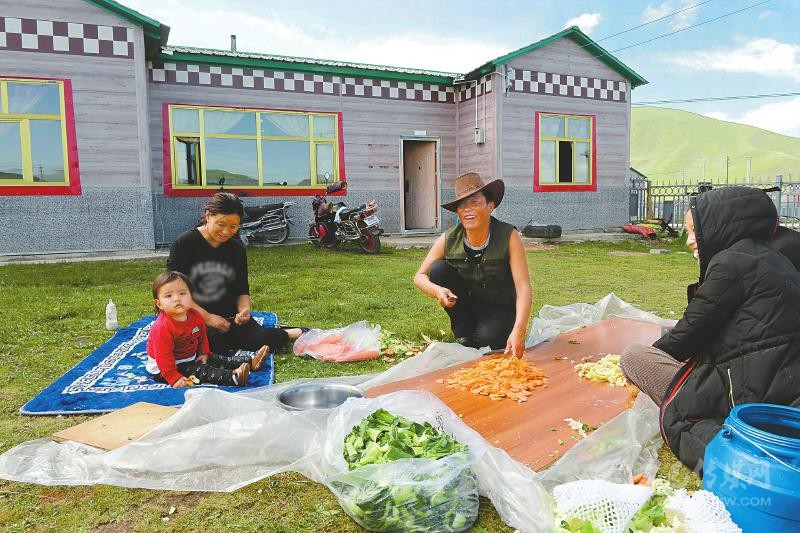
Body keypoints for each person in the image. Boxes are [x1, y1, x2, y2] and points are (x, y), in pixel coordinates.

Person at [620, 186, 800, 473]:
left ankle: (724, 435)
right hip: (782, 386)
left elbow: (686, 337)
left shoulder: (732, 262)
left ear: (718, 226)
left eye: (695, 231)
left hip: (749, 394)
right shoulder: (771, 256)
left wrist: (649, 360)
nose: (690, 241)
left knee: (634, 356)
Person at [167, 192, 305, 354]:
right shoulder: (184, 244)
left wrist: (244, 310)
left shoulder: (236, 249)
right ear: (208, 216)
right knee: (209, 344)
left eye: (233, 226)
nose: (226, 232)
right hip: (191, 312)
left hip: (229, 315)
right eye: (221, 224)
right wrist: (208, 318)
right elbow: (173, 291)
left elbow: (241, 288)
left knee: (256, 340)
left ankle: (292, 333)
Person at [414, 172, 532, 357]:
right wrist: (437, 291)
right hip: (468, 302)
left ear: (490, 207)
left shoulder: (509, 236)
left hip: (499, 305)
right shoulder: (449, 238)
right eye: (461, 205)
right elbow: (419, 276)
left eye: (474, 202)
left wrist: (519, 330)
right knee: (438, 270)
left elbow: (524, 287)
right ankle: (465, 334)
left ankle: (488, 332)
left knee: (491, 342)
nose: (467, 209)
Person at [146, 271, 270, 387]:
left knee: (216, 358)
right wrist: (174, 378)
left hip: (190, 356)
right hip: (167, 368)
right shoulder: (162, 328)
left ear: (191, 297)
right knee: (202, 371)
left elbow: (201, 336)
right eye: (168, 296)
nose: (177, 299)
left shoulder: (195, 315)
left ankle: (251, 361)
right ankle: (233, 377)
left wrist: (204, 352)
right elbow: (163, 357)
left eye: (182, 293)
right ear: (159, 304)